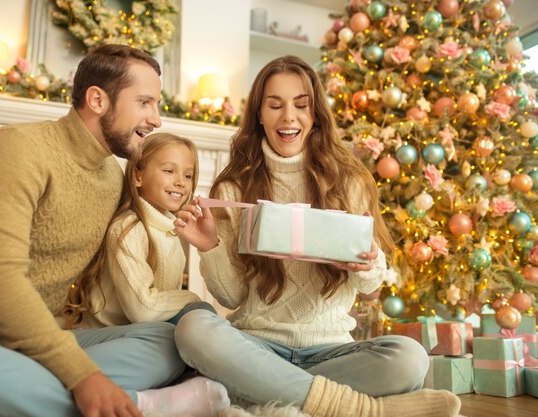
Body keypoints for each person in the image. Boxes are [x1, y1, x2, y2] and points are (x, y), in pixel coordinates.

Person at [0, 44, 202, 417]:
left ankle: (26, 390)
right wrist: (82, 376)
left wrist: (202, 242)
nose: (157, 120)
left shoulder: (112, 178)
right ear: (97, 99)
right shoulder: (16, 150)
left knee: (166, 340)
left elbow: (137, 248)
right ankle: (132, 403)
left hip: (42, 342)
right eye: (145, 103)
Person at [173, 55, 461, 417]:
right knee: (193, 329)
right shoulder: (233, 187)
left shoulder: (350, 182)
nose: (288, 117)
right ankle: (357, 408)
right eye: (275, 105)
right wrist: (209, 246)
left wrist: (366, 261)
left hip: (331, 349)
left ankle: (264, 390)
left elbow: (370, 289)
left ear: (316, 115)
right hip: (257, 344)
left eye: (300, 105)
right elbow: (231, 296)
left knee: (409, 358)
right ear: (259, 115)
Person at [62, 132, 229, 417]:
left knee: (184, 339)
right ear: (138, 176)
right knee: (173, 338)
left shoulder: (171, 230)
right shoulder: (127, 229)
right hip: (107, 339)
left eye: (188, 175)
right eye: (169, 171)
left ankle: (159, 392)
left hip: (142, 334)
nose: (180, 182)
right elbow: (143, 308)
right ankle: (144, 400)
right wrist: (193, 301)